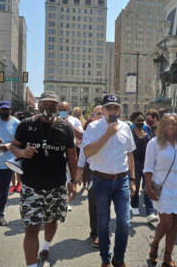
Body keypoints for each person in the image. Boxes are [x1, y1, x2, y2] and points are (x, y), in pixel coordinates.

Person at [10, 91, 78, 267]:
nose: (48, 108)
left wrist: (74, 181)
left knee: (51, 220)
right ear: (39, 105)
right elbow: (13, 146)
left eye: (52, 105)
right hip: (31, 186)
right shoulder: (26, 125)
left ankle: (46, 246)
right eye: (45, 104)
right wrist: (22, 152)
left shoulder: (65, 127)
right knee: (31, 228)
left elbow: (72, 156)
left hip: (56, 186)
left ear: (57, 106)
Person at [82, 94, 136, 267]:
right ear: (103, 109)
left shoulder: (126, 128)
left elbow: (130, 155)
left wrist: (133, 179)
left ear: (119, 109)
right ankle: (105, 258)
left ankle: (119, 258)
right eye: (109, 107)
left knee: (124, 223)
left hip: (122, 181)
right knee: (103, 224)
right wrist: (107, 134)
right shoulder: (93, 127)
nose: (113, 110)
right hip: (101, 181)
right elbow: (88, 152)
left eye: (116, 107)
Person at [144, 114, 177, 266]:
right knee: (166, 222)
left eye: (174, 124)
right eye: (168, 124)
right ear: (162, 126)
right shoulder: (154, 143)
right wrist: (148, 188)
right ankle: (154, 245)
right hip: (162, 187)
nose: (171, 127)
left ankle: (167, 256)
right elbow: (147, 169)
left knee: (175, 225)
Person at [77, 105, 103, 248]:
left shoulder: (116, 128)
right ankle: (95, 233)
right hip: (93, 172)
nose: (101, 116)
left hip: (112, 174)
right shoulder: (90, 129)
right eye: (98, 114)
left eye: (103, 113)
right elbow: (82, 153)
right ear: (92, 116)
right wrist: (79, 172)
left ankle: (103, 231)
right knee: (94, 204)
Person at [129, 111, 158, 223]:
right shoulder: (130, 132)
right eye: (138, 120)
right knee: (135, 186)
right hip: (135, 163)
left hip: (147, 163)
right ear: (133, 121)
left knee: (148, 187)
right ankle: (134, 204)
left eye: (142, 120)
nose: (141, 122)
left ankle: (150, 212)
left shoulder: (148, 130)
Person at [9, 111, 26, 193]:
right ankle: (13, 185)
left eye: (20, 115)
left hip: (19, 149)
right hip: (12, 147)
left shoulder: (22, 124)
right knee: (12, 169)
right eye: (17, 115)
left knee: (17, 168)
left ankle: (19, 184)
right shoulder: (12, 123)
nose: (19, 116)